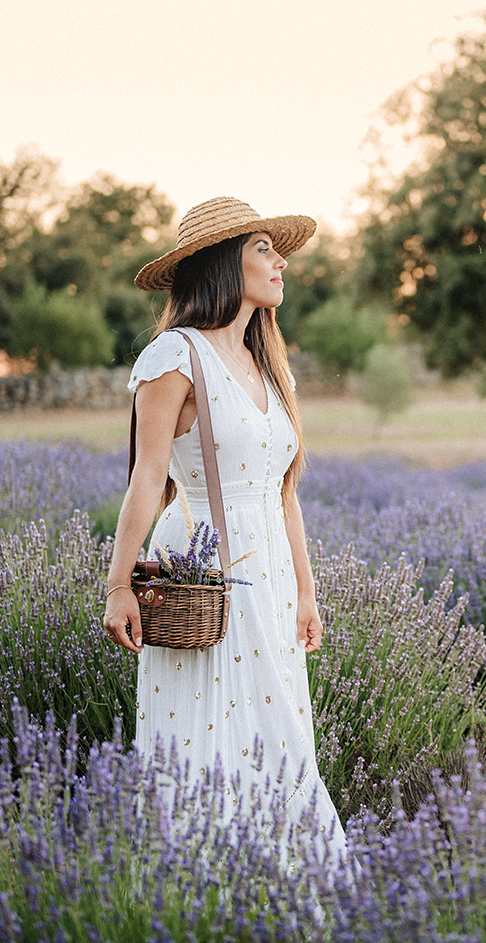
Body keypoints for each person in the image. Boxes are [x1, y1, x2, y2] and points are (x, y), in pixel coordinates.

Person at [101, 195, 344, 857]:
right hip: (204, 569)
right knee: (206, 734)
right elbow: (149, 477)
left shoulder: (267, 361)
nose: (281, 262)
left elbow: (283, 490)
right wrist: (119, 585)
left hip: (266, 573)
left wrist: (307, 590)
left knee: (280, 734)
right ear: (219, 265)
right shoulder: (174, 355)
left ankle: (286, 884)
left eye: (277, 249)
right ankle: (202, 886)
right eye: (263, 249)